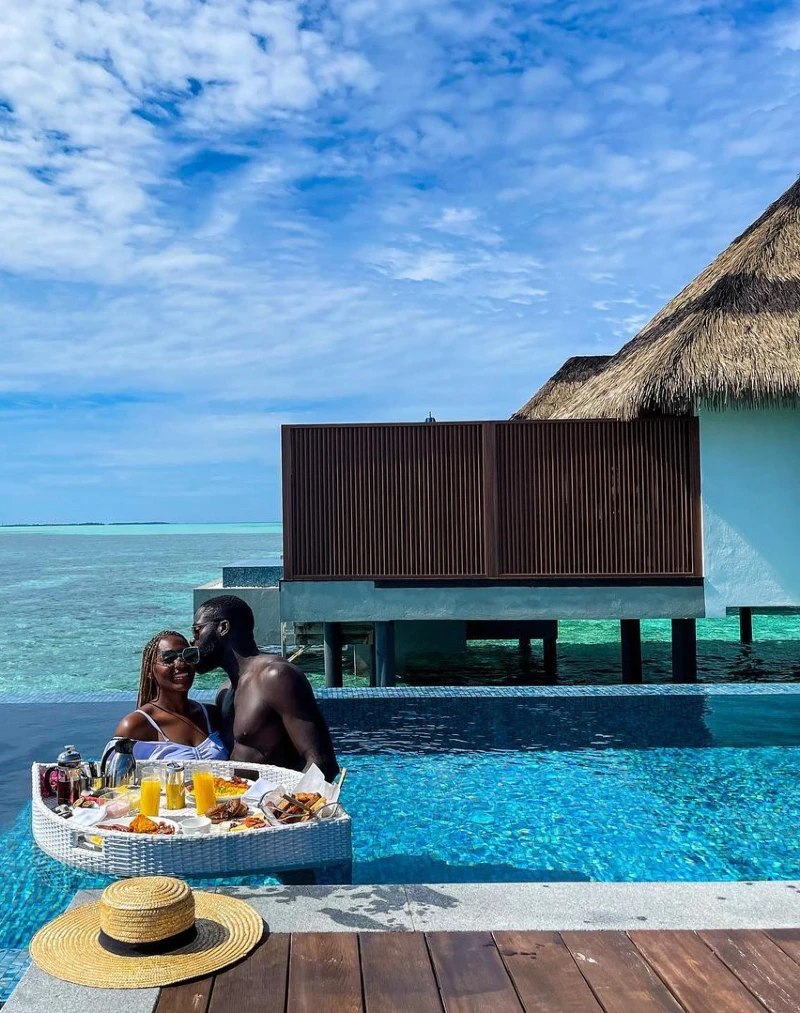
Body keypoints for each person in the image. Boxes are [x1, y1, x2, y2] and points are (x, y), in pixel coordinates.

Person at [191, 595, 339, 780]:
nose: (193, 642)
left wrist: (283, 806)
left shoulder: (275, 677)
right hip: (236, 801)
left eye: (197, 631)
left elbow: (322, 764)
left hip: (273, 803)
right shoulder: (225, 692)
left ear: (223, 628)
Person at [114, 630, 228, 761]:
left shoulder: (211, 715)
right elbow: (115, 776)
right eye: (169, 658)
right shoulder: (135, 725)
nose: (181, 664)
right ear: (150, 671)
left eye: (189, 655)